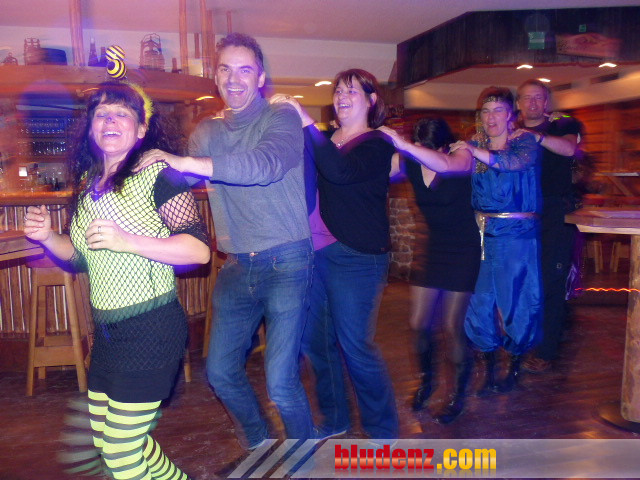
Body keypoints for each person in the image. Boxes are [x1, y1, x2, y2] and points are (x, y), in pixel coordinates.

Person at [24, 81, 210, 480]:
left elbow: (199, 251)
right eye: (101, 114)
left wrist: (129, 241)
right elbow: (80, 258)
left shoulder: (159, 175)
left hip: (151, 331)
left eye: (121, 113)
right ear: (91, 126)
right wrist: (47, 238)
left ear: (141, 129)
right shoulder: (88, 183)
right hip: (108, 336)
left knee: (121, 456)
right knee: (118, 440)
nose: (109, 120)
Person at [137, 33, 314, 449]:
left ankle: (306, 459)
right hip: (237, 265)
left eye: (245, 70)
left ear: (261, 78)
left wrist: (186, 161)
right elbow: (178, 180)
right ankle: (258, 442)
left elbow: (265, 165)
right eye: (226, 69)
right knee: (219, 372)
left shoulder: (281, 117)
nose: (234, 79)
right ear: (216, 76)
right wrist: (132, 168)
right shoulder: (207, 131)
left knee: (281, 382)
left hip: (288, 260)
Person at [381, 86, 542, 394]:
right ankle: (488, 371)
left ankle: (514, 366)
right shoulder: (473, 142)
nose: (491, 117)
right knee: (479, 308)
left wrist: (465, 149)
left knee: (514, 303)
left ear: (511, 115)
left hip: (514, 234)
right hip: (479, 231)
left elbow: (510, 163)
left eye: (498, 111)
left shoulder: (522, 141)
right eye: (486, 111)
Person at [271, 68, 399, 440]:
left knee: (355, 345)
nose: (342, 96)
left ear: (371, 100)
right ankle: (336, 417)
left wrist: (306, 120)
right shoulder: (326, 138)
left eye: (352, 91)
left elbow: (340, 172)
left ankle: (383, 430)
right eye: (338, 91)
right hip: (316, 253)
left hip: (357, 256)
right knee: (316, 343)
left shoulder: (377, 143)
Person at [401, 118, 480, 423]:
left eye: (431, 147)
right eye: (420, 146)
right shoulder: (410, 161)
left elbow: (448, 166)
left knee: (451, 325)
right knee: (418, 323)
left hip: (463, 250)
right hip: (434, 249)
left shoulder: (461, 155)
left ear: (445, 145)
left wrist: (408, 147)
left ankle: (457, 395)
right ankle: (427, 382)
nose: (424, 152)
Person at [515, 79, 582, 373]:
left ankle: (547, 350)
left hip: (554, 215)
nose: (532, 103)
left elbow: (569, 149)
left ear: (546, 102)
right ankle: (522, 342)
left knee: (551, 283)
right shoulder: (511, 131)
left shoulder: (563, 124)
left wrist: (535, 137)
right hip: (520, 216)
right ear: (518, 103)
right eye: (527, 98)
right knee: (521, 282)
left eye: (538, 97)